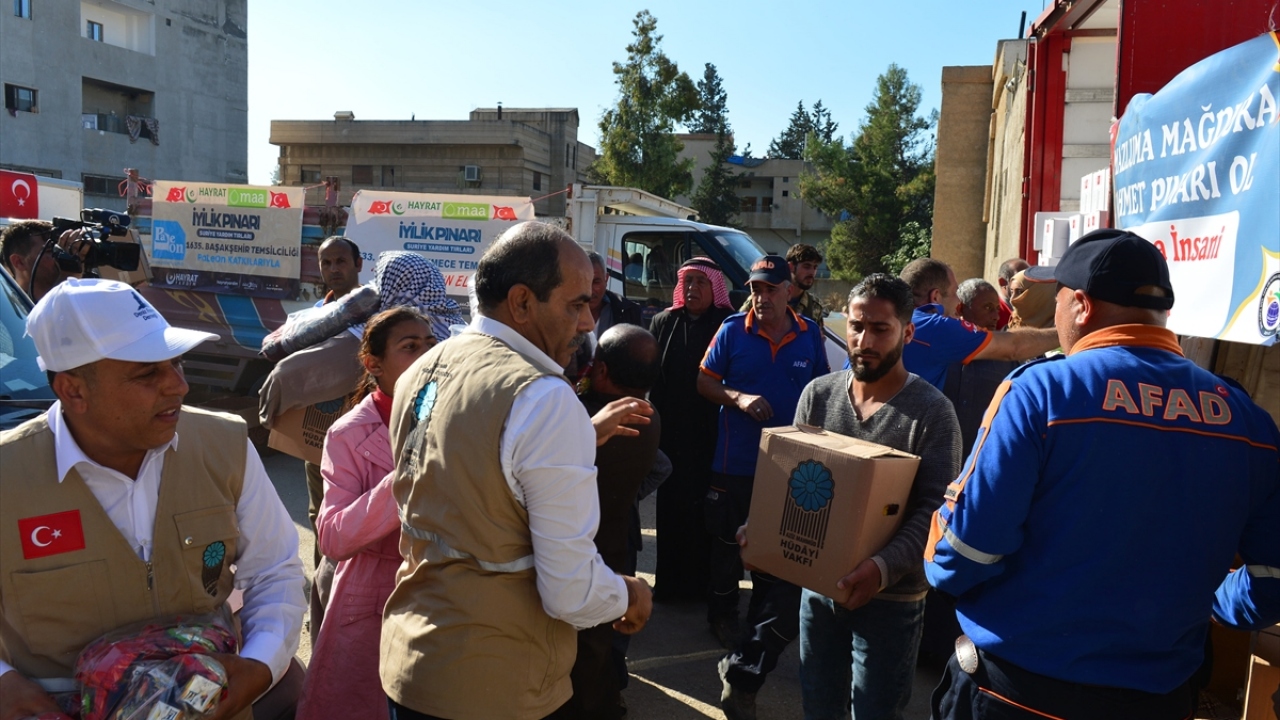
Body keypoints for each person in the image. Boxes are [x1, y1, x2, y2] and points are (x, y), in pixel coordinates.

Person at [925, 229, 1280, 719]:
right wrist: (1211, 601)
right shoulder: (1247, 418)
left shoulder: (1041, 393)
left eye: (1057, 301)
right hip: (1160, 699)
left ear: (1081, 307)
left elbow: (963, 553)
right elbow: (1274, 581)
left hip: (1021, 694)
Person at [382, 222, 653, 720]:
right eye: (575, 305)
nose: (589, 323)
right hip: (495, 684)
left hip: (410, 663)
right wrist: (628, 594)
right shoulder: (543, 398)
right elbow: (570, 590)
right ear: (523, 303)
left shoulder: (424, 367)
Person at [0, 278, 306, 720]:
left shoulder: (225, 445)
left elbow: (275, 570)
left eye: (176, 363)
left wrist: (259, 664)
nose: (178, 386)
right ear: (74, 391)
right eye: (147, 373)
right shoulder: (8, 475)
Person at [757, 274, 960, 719]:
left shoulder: (932, 413)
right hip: (820, 591)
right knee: (819, 706)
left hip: (890, 600)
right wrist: (762, 531)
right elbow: (794, 480)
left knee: (874, 710)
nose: (864, 340)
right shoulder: (818, 395)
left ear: (907, 332)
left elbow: (935, 511)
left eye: (880, 329)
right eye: (855, 326)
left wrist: (880, 569)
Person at [698, 254, 830, 720]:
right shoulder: (734, 329)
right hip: (734, 460)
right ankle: (721, 614)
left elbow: (820, 391)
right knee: (724, 542)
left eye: (771, 288)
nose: (762, 296)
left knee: (774, 549)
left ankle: (758, 627)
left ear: (788, 290)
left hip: (787, 467)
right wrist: (737, 396)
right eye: (756, 287)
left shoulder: (810, 333)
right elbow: (704, 381)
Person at [296, 307, 437, 720]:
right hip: (371, 596)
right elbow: (334, 537)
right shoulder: (348, 432)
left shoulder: (447, 414)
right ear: (373, 364)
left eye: (430, 344)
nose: (426, 355)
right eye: (410, 347)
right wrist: (407, 476)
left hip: (438, 592)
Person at [570, 324, 664, 720]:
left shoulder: (585, 420)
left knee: (583, 665)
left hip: (581, 559)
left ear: (602, 371)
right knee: (599, 653)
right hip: (614, 551)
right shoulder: (650, 416)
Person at [648, 258, 735, 605]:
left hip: (709, 435)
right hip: (670, 435)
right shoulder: (663, 322)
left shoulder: (726, 325)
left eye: (701, 282)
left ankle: (703, 590)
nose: (693, 289)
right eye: (688, 282)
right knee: (669, 512)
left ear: (715, 287)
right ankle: (668, 588)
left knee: (704, 515)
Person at [898, 258, 1059, 390]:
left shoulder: (896, 322)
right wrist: (1065, 332)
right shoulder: (936, 329)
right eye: (955, 292)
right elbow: (1013, 346)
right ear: (936, 297)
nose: (958, 300)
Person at [740, 243, 826, 328]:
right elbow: (739, 329)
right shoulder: (761, 300)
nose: (812, 272)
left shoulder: (814, 306)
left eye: (815, 267)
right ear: (791, 267)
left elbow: (817, 339)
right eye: (806, 266)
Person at [0, 220, 84, 301]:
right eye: (51, 251)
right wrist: (69, 275)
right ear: (19, 262)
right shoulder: (7, 311)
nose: (60, 256)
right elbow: (44, 314)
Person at [316, 235, 364, 302]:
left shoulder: (378, 308)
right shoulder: (319, 310)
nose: (333, 269)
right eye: (326, 263)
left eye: (341, 261)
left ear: (358, 264)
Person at [995, 257, 1029, 330]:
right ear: (1002, 282)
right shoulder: (994, 311)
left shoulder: (1032, 305)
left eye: (1029, 277)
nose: (1027, 282)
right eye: (1021, 278)